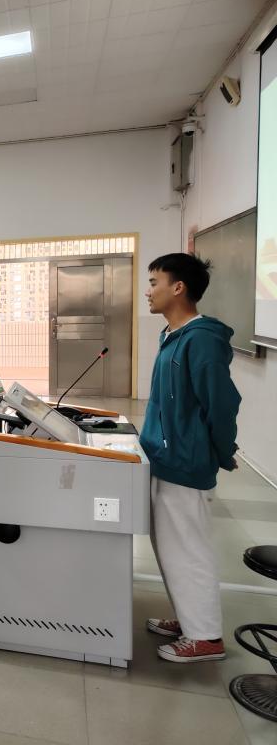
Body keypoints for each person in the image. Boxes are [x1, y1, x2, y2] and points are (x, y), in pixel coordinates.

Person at [141, 253, 241, 664]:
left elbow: (222, 404)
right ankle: (189, 619)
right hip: (164, 456)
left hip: (185, 461)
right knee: (170, 547)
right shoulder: (173, 335)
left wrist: (223, 451)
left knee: (188, 549)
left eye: (154, 282)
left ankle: (206, 637)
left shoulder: (201, 340)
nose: (149, 291)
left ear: (178, 287)